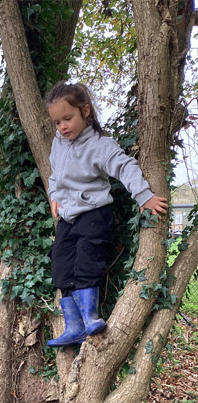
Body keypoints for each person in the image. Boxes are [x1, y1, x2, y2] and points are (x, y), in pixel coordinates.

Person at [45, 82, 168, 347]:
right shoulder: (58, 144)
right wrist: (54, 196)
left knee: (87, 262)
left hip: (94, 213)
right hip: (67, 216)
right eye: (57, 122)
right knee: (62, 265)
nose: (63, 126)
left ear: (85, 111)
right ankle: (74, 326)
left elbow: (125, 167)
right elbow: (54, 175)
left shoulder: (100, 145)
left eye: (68, 118)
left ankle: (90, 318)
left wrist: (144, 196)